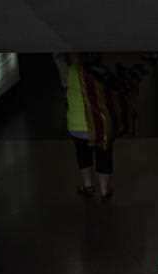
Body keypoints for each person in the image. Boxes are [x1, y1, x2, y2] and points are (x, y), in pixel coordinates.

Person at [62, 52, 116, 201]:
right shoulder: (103, 72)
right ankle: (104, 191)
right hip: (100, 126)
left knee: (83, 155)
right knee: (104, 156)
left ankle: (88, 186)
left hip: (76, 126)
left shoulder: (72, 71)